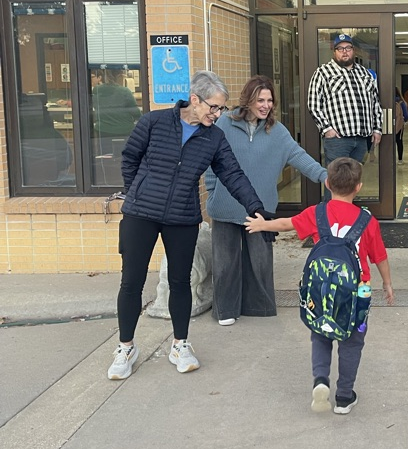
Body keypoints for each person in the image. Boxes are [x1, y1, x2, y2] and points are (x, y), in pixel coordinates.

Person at [107, 70, 272, 381]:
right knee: (131, 282)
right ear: (194, 99)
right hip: (141, 213)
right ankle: (125, 347)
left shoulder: (214, 137)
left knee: (181, 283)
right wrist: (137, 192)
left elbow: (232, 174)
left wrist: (255, 207)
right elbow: (129, 158)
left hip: (182, 217)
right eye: (214, 107)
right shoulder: (154, 122)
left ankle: (180, 345)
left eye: (222, 108)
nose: (218, 114)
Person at [246, 157, 394, 413]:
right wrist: (388, 284)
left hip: (321, 290)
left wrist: (262, 225)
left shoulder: (317, 213)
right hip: (358, 293)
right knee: (352, 342)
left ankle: (321, 380)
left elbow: (287, 224)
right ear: (358, 187)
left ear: (327, 184)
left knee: (321, 335)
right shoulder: (368, 221)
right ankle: (344, 397)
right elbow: (380, 257)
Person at [205, 75, 328, 326]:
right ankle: (226, 310)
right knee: (225, 263)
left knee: (260, 262)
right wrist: (213, 191)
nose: (265, 105)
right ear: (248, 100)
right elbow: (209, 160)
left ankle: (258, 307)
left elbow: (299, 156)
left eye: (269, 100)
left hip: (260, 210)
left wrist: (325, 177)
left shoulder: (277, 131)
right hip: (225, 205)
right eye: (260, 100)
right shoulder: (224, 124)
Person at [307, 32, 383, 167]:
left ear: (353, 50)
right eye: (340, 48)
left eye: (348, 48)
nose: (344, 52)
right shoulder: (323, 72)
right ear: (334, 52)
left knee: (355, 176)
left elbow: (375, 103)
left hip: (362, 139)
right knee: (337, 177)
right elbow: (313, 104)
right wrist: (327, 129)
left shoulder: (364, 73)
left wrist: (377, 129)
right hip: (338, 140)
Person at [91, 69, 141, 145]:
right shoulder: (125, 91)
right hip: (125, 131)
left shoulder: (96, 91)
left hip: (103, 131)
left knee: (105, 152)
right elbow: (136, 113)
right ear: (119, 77)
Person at [394, 86, 408, 164]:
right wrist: (404, 121)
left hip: (388, 125)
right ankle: (400, 159)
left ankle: (389, 158)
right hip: (399, 125)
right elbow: (406, 115)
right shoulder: (401, 102)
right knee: (399, 141)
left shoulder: (386, 101)